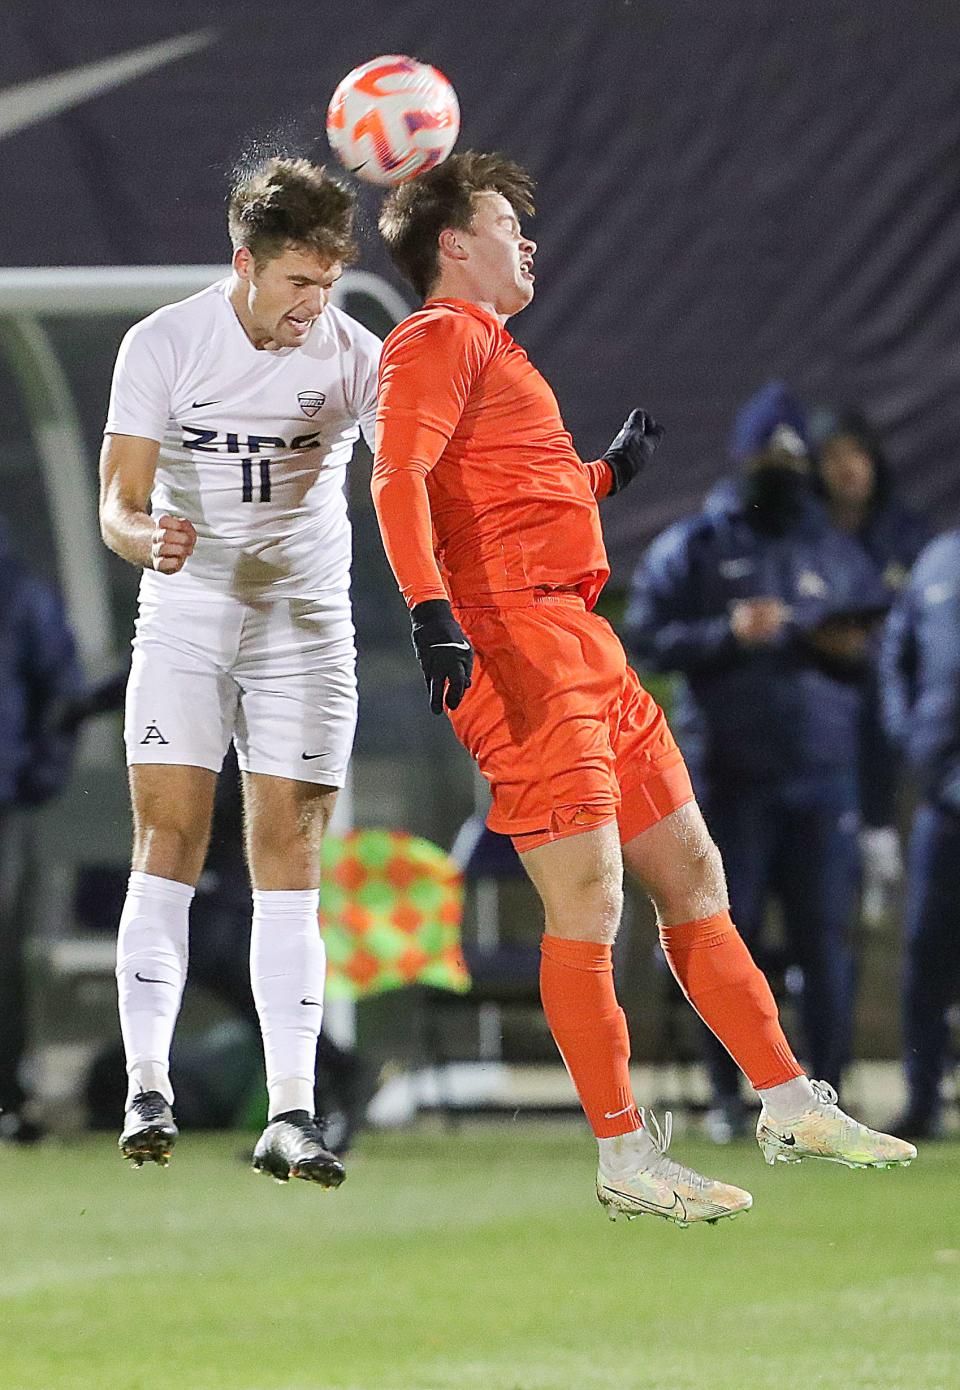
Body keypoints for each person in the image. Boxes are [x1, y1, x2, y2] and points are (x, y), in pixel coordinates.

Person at [370, 152, 914, 1228]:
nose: (528, 240)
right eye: (504, 221)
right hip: (516, 641)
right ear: (452, 245)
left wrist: (603, 477)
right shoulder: (435, 336)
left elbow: (511, 490)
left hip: (579, 636)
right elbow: (397, 477)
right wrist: (431, 612)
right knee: (593, 898)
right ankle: (624, 1152)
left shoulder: (487, 347)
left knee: (691, 868)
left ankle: (789, 1097)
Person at [98, 155, 380, 1185]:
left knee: (288, 849)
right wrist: (145, 538)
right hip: (188, 618)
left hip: (304, 630)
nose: (317, 303)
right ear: (245, 266)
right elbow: (117, 499)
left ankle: (293, 1110)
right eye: (300, 281)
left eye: (330, 281)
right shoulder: (166, 343)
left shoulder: (356, 355)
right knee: (169, 834)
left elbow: (414, 475)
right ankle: (146, 1085)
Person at [625, 384, 895, 1141]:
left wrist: (835, 644)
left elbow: (873, 651)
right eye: (766, 458)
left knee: (823, 944)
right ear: (743, 461)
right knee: (718, 937)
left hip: (819, 780)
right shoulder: (698, 544)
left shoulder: (831, 549)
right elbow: (645, 636)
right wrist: (726, 633)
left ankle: (827, 1094)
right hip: (725, 782)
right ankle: (726, 1097)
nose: (778, 471)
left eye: (789, 459)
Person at [812, 409, 931, 923]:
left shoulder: (906, 535)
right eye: (833, 456)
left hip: (890, 709)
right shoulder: (801, 534)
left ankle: (882, 835)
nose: (848, 468)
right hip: (817, 701)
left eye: (857, 454)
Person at [0, 519, 81, 1143]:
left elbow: (61, 694)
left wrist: (37, 778)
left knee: (2, 956)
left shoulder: (16, 593)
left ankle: (7, 1098)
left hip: (3, 803)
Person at [881, 528, 960, 1139]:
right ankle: (923, 1097)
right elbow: (895, 654)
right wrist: (906, 731)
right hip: (943, 798)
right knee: (927, 952)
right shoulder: (937, 558)